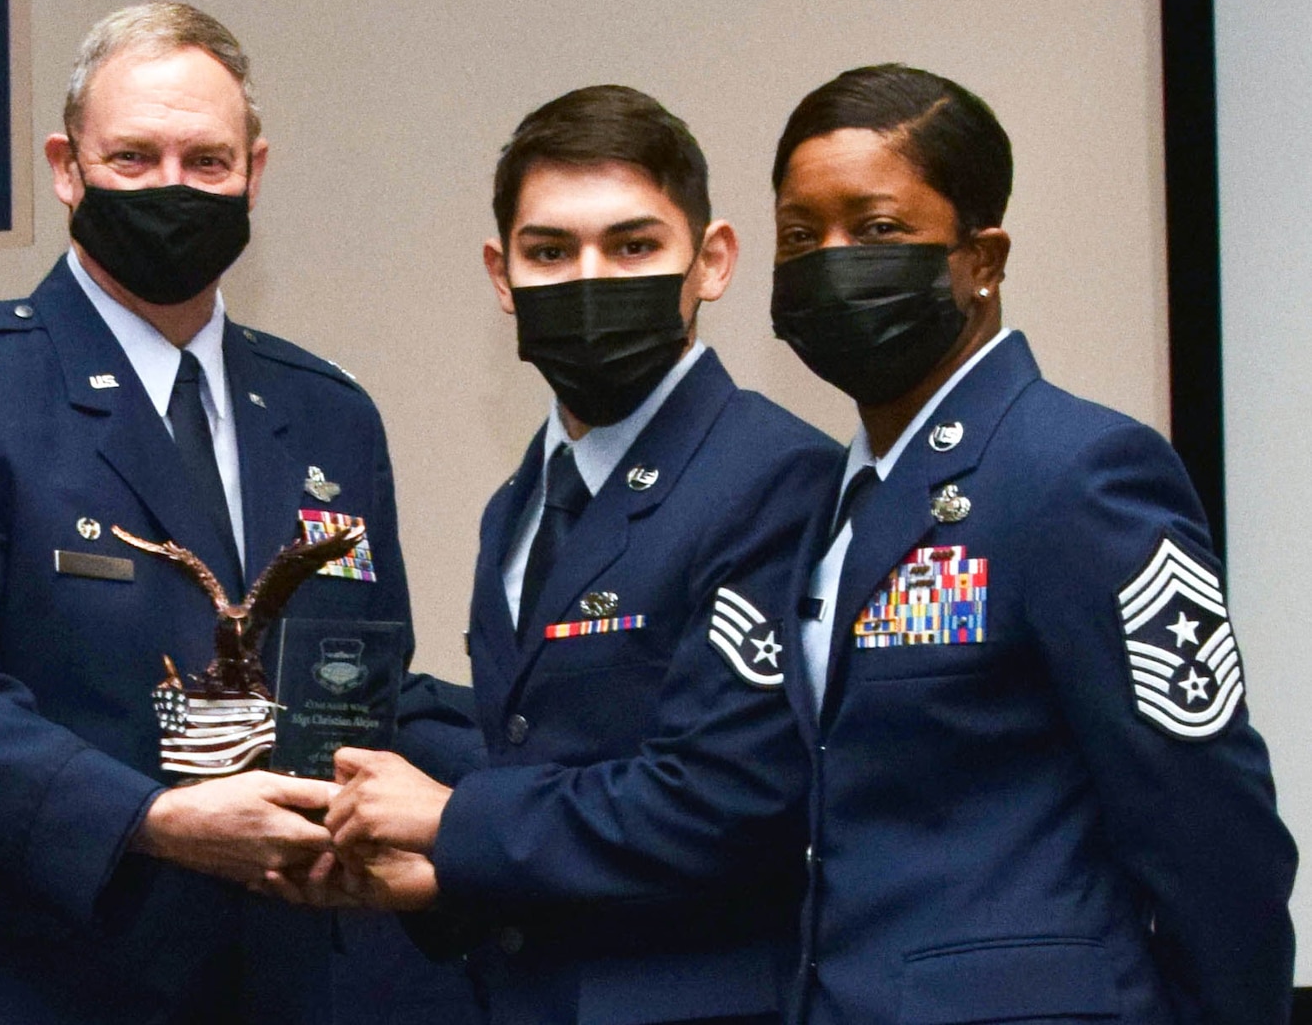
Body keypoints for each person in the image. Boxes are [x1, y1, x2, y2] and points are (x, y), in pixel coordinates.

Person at [0, 2, 477, 1025]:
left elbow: (361, 680)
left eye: (205, 162)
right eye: (132, 157)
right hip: (31, 979)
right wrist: (152, 820)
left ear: (254, 171)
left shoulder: (327, 415)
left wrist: (510, 809)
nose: (172, 187)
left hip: (283, 977)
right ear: (65, 167)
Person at [767, 64, 1296, 1023]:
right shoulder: (833, 499)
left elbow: (1210, 829)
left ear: (983, 259)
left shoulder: (1079, 472)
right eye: (801, 236)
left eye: (878, 230)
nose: (831, 262)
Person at [322, 85, 842, 1024]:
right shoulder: (516, 506)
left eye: (634, 245)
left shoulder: (778, 479)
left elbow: (724, 802)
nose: (590, 279)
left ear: (712, 260)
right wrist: (437, 877)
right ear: (500, 271)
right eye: (550, 252)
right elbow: (541, 763)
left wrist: (447, 821)